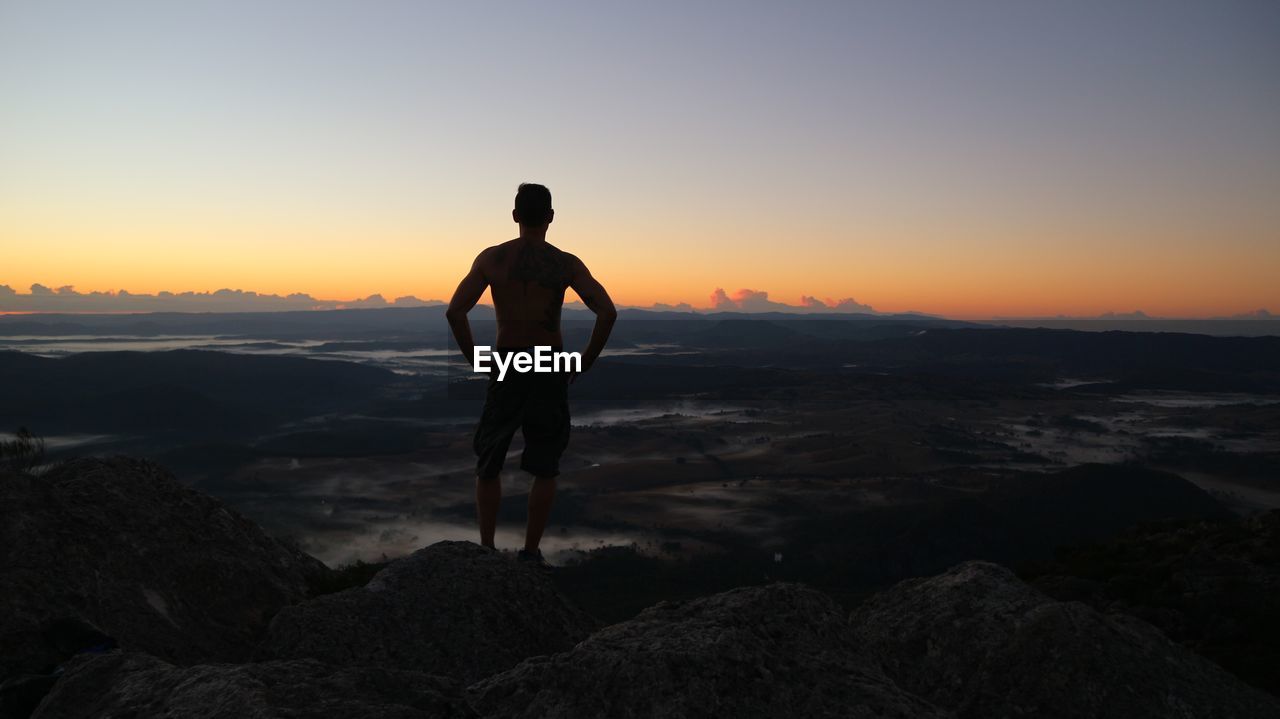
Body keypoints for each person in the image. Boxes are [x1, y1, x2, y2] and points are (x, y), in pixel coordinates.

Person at [445, 183, 617, 569]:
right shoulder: (566, 263)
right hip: (548, 362)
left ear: (515, 215)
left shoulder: (493, 259)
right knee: (546, 462)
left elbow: (456, 311)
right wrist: (585, 360)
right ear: (551, 217)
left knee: (489, 458)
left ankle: (486, 548)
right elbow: (607, 312)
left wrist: (476, 357)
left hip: (508, 360)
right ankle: (530, 552)